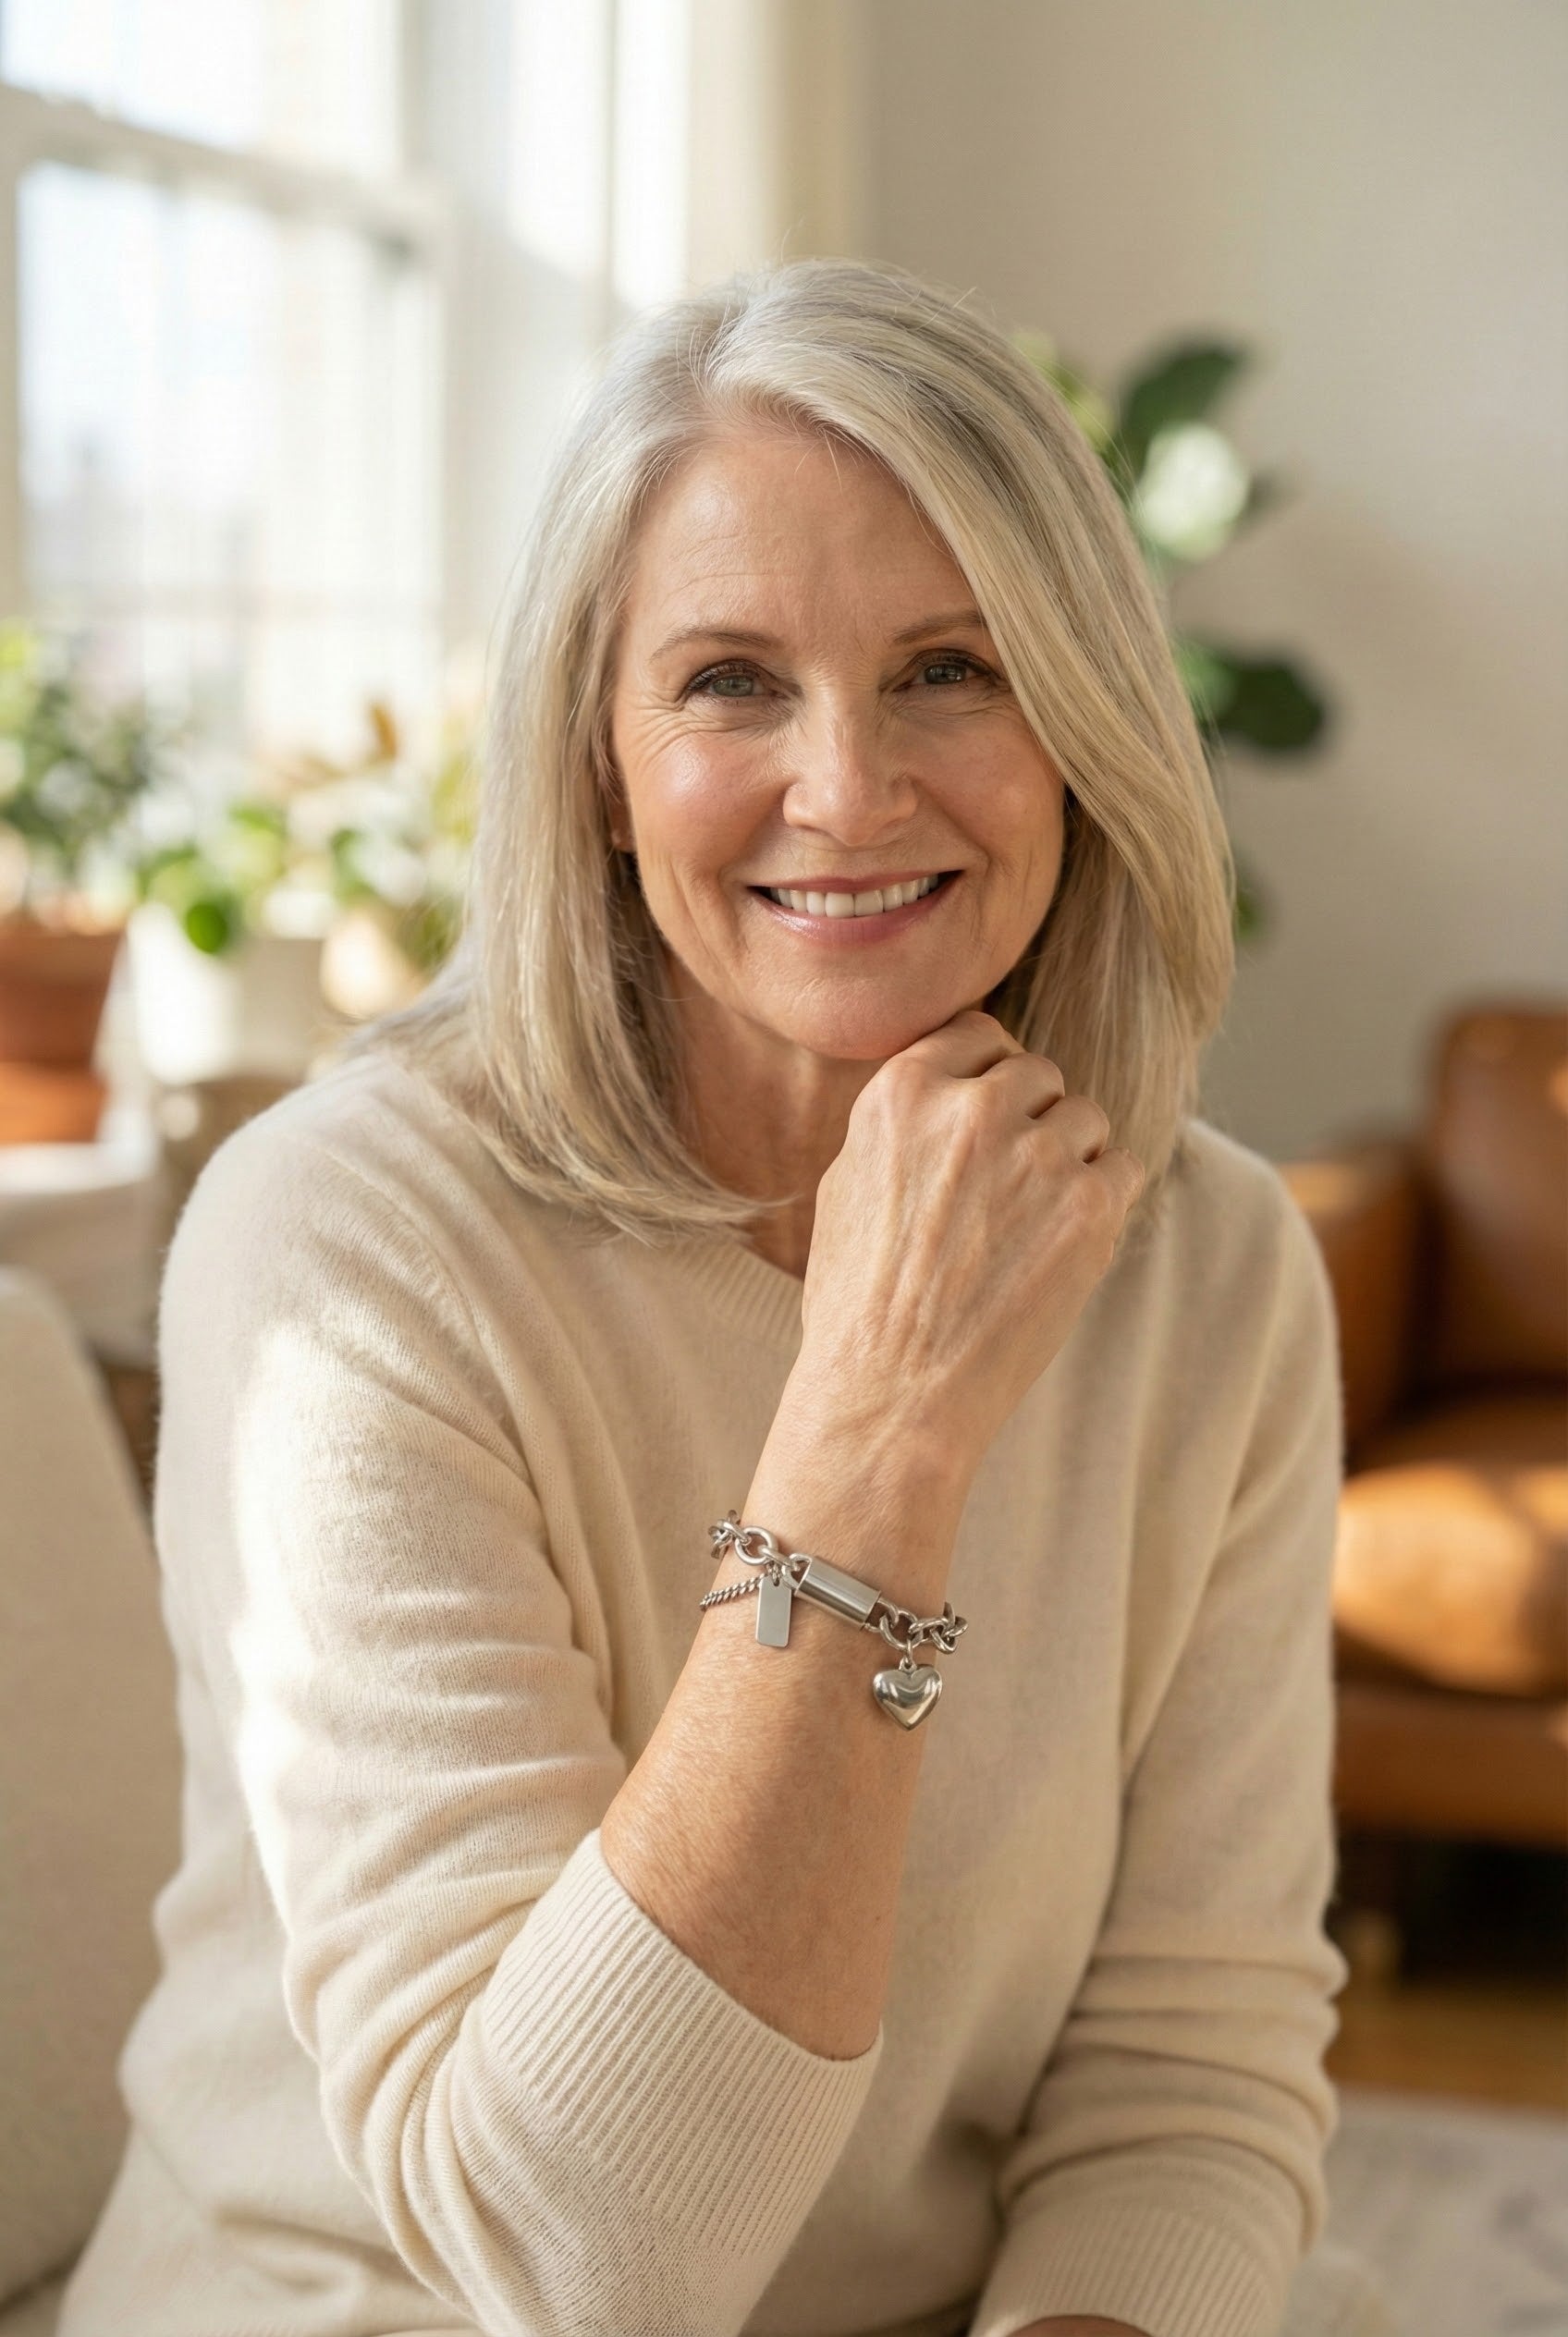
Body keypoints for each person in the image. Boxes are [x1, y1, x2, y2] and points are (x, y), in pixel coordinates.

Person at [60, 257, 1351, 2337]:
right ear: (597, 757)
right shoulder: (344, 1246)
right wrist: (877, 1424)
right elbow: (574, 2252)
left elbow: (1187, 2070)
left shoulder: (1213, 1267)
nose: (846, 789)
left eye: (950, 668)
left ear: (1082, 722)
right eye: (732, 681)